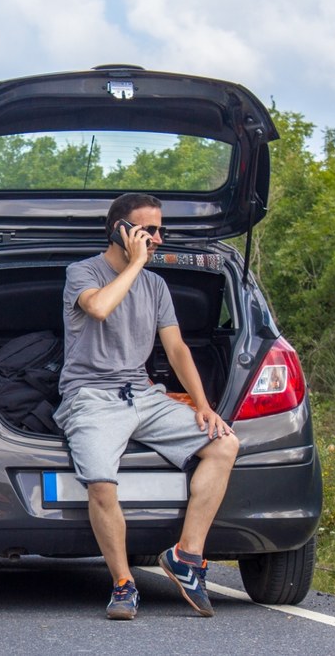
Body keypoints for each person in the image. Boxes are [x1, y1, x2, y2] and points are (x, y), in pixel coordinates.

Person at [54, 192, 239, 620]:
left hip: (142, 394)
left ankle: (186, 556)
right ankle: (123, 584)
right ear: (121, 230)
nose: (157, 238)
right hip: (90, 396)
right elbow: (99, 307)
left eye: (160, 230)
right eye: (148, 230)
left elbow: (175, 349)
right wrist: (136, 262)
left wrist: (203, 405)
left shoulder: (156, 285)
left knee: (225, 444)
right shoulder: (82, 273)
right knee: (101, 483)